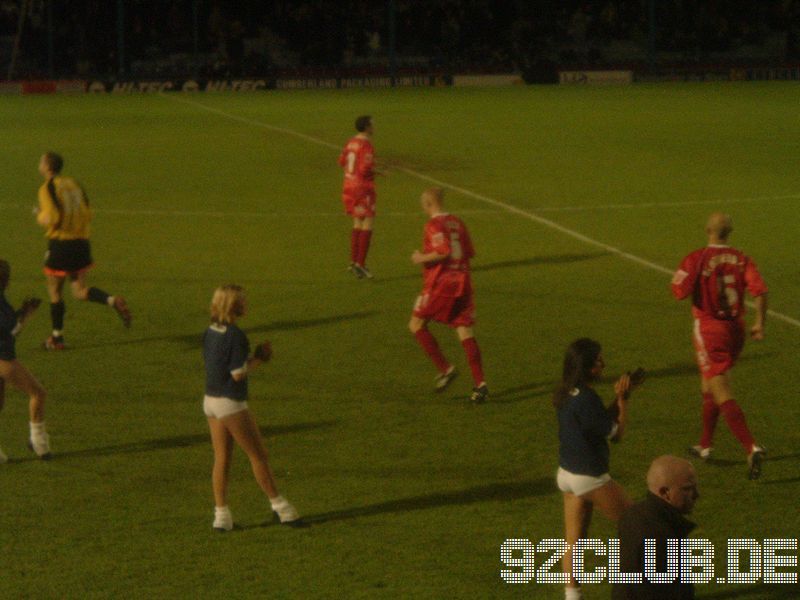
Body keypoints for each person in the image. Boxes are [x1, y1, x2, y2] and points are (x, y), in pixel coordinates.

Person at [671, 212, 767, 479]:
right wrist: (759, 323)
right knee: (708, 384)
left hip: (710, 330)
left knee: (721, 388)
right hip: (736, 331)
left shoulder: (697, 257)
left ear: (707, 230)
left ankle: (751, 446)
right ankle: (705, 445)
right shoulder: (742, 258)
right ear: (730, 232)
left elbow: (679, 291)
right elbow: (761, 291)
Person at [203, 284, 300, 530]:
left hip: (210, 401)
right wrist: (260, 359)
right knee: (258, 456)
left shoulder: (210, 331)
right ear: (234, 305)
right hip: (230, 403)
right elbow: (237, 373)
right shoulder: (236, 335)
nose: (246, 304)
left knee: (221, 459)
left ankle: (221, 516)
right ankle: (282, 508)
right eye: (242, 301)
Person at [554, 338, 636, 600]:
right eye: (599, 360)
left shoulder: (566, 392)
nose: (604, 364)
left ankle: (572, 596)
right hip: (590, 478)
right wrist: (623, 401)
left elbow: (596, 421)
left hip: (566, 475)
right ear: (589, 368)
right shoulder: (588, 398)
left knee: (573, 542)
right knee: (638, 528)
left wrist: (618, 398)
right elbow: (617, 434)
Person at [35, 152, 131, 350]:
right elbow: (87, 211)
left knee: (54, 290)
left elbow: (52, 217)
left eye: (41, 161)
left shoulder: (47, 188)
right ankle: (112, 300)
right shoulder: (74, 184)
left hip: (61, 245)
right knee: (79, 291)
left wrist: (40, 215)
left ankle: (57, 338)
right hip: (81, 243)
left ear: (47, 167)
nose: (40, 164)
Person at [408, 187, 488, 403]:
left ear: (428, 204)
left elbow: (443, 251)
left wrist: (420, 258)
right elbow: (469, 252)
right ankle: (480, 384)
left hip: (441, 284)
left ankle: (446, 369)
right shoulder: (458, 223)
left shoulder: (433, 224)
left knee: (416, 324)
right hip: (463, 281)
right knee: (465, 330)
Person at [613, 455, 699, 600]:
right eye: (688, 489)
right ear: (665, 492)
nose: (696, 495)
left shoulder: (633, 515)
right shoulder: (662, 538)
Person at [0, 259, 51, 461]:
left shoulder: (2, 300)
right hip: (3, 356)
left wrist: (23, 312)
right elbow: (11, 331)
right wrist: (25, 315)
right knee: (37, 393)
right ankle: (40, 443)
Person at [338, 115, 377, 279]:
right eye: (372, 124)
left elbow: (341, 161)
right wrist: (376, 172)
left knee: (357, 222)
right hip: (362, 187)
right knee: (367, 221)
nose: (374, 127)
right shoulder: (366, 145)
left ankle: (354, 262)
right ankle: (361, 264)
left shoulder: (350, 142)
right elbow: (365, 169)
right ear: (367, 127)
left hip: (348, 185)